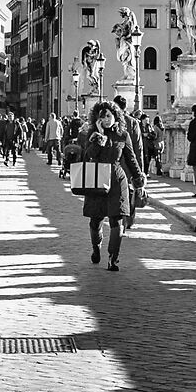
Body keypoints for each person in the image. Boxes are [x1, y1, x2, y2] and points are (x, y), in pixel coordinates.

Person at [74, 101, 146, 271]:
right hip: (97, 180)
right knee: (95, 220)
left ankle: (113, 258)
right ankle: (96, 247)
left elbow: (131, 158)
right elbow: (88, 156)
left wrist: (138, 179)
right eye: (102, 117)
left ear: (115, 116)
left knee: (117, 220)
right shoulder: (92, 134)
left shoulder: (123, 135)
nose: (106, 119)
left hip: (116, 180)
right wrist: (99, 136)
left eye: (108, 116)